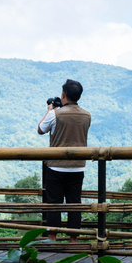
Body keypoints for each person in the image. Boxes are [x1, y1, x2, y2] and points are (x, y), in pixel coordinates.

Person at [38, 79, 91, 243]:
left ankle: (52, 237)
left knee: (53, 202)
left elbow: (41, 129)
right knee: (75, 203)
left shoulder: (55, 114)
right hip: (77, 167)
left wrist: (49, 111)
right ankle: (73, 240)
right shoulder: (87, 115)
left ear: (63, 94)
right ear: (79, 96)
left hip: (56, 166)